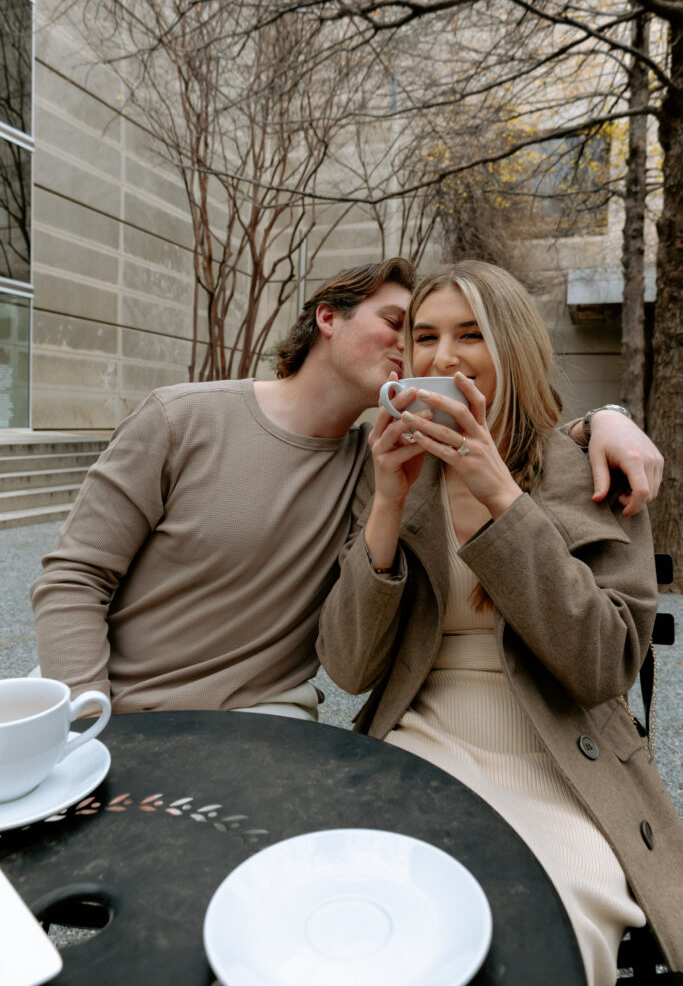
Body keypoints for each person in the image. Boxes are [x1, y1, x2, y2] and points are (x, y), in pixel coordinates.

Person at [32, 257, 662, 723]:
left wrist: (603, 419)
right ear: (327, 318)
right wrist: (90, 723)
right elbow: (72, 578)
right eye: (406, 326)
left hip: (268, 719)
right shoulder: (180, 419)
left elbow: (523, 440)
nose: (426, 354)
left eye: (463, 335)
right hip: (116, 708)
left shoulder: (379, 465)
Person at [316, 260, 682, 985]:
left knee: (538, 936)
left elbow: (602, 666)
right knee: (365, 926)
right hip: (423, 743)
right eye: (424, 336)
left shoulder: (593, 469)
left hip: (563, 762)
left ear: (511, 346)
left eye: (468, 333)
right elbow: (349, 667)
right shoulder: (395, 468)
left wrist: (500, 496)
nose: (442, 357)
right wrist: (386, 503)